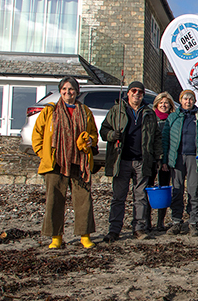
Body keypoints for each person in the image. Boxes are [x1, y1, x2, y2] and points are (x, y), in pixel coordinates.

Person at [32, 77, 98, 249]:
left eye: (71, 89)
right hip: (56, 163)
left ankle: (85, 236)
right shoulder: (50, 111)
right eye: (65, 89)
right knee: (54, 200)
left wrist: (90, 140)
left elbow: (93, 133)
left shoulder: (85, 111)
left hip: (79, 162)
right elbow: (37, 134)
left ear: (77, 92)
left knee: (84, 200)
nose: (68, 92)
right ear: (60, 91)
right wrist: (44, 155)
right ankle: (56, 237)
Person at [101, 80, 162, 242]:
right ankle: (114, 230)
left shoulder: (149, 113)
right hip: (121, 160)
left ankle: (139, 228)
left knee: (140, 197)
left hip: (142, 160)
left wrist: (158, 157)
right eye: (134, 91)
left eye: (140, 92)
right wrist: (112, 135)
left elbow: (156, 137)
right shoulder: (117, 110)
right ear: (128, 93)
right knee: (118, 197)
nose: (137, 94)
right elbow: (103, 130)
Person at [162, 90, 198, 236]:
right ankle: (176, 221)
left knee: (193, 190)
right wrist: (165, 160)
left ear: (194, 101)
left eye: (191, 99)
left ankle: (193, 222)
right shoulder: (173, 117)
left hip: (194, 157)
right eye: (185, 99)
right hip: (177, 157)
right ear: (180, 100)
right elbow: (165, 139)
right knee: (177, 189)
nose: (188, 101)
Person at [150, 92, 175, 231]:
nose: (163, 105)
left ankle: (160, 221)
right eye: (161, 103)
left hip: (166, 159)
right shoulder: (151, 118)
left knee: (164, 187)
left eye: (166, 103)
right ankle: (146, 220)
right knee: (148, 187)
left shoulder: (173, 119)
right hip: (152, 158)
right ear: (156, 104)